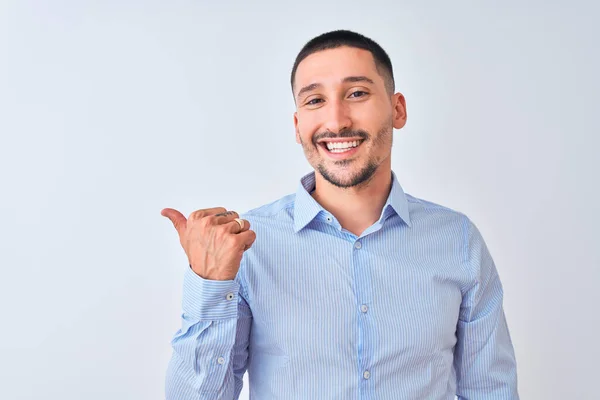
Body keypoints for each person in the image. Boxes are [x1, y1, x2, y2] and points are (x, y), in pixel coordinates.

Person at [162, 29, 519, 399]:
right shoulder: (245, 246)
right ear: (298, 125)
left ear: (398, 109)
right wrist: (210, 285)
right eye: (315, 100)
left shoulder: (457, 240)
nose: (336, 121)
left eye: (357, 93)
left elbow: (490, 390)